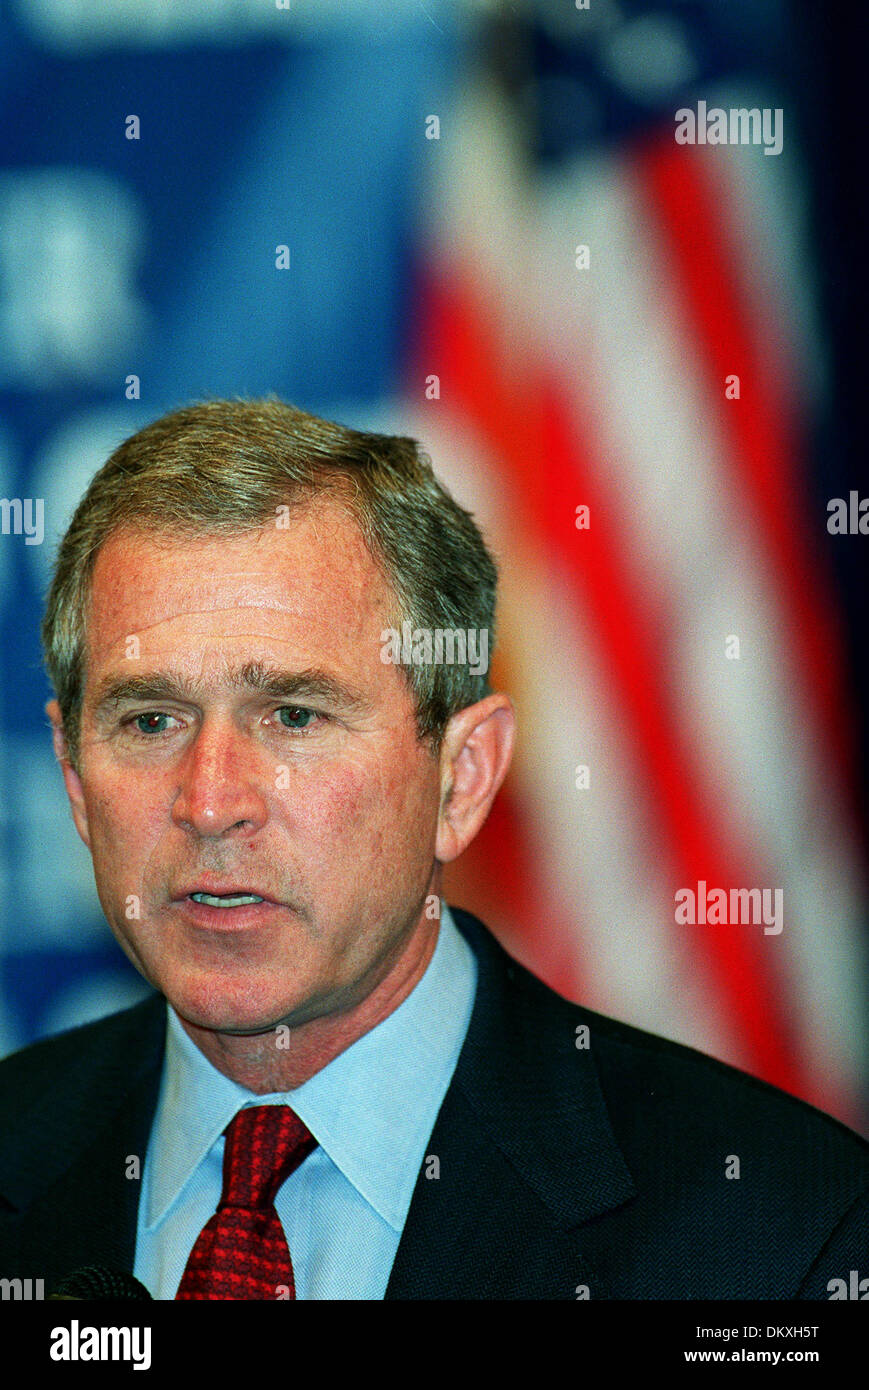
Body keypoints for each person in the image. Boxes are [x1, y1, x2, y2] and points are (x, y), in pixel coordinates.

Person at [0, 397, 866, 1300]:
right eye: (150, 720)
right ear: (73, 779)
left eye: (294, 715)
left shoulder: (782, 1236)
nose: (210, 802)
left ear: (462, 778)